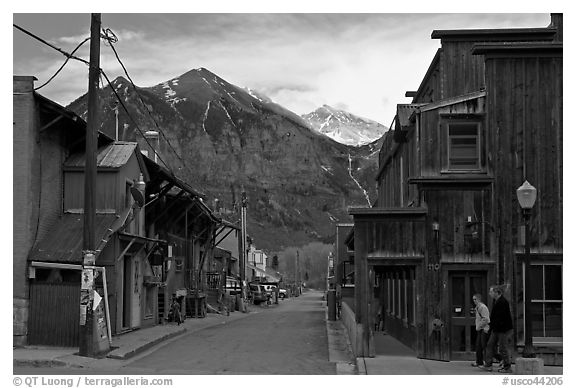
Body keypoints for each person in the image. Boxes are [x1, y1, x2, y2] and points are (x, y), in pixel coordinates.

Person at [481, 285, 513, 373]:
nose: (489, 293)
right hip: (496, 329)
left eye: (491, 292)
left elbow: (500, 318)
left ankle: (507, 367)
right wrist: (491, 327)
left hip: (503, 329)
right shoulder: (496, 301)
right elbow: (495, 317)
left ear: (497, 293)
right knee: (490, 345)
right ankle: (488, 365)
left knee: (503, 348)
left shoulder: (503, 302)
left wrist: (490, 327)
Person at [471, 293, 490, 367]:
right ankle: (479, 361)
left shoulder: (482, 307)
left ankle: (497, 359)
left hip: (484, 329)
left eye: (475, 299)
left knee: (484, 345)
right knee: (478, 346)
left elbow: (486, 319)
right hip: (480, 329)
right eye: (473, 299)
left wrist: (479, 326)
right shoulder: (477, 307)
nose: (474, 301)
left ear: (479, 299)